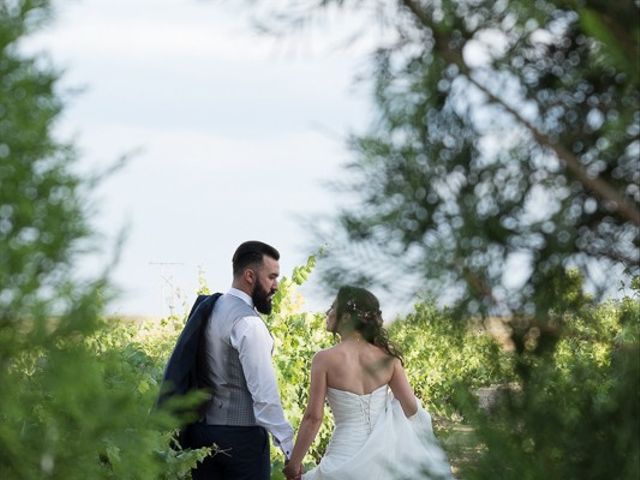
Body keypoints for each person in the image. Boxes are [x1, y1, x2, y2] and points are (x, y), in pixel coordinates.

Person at [283, 286, 454, 480]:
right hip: (384, 461)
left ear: (347, 317)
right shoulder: (388, 360)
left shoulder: (323, 359)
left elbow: (313, 418)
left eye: (332, 307)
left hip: (343, 457)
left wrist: (294, 464)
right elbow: (411, 410)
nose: (327, 312)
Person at [188, 241, 295, 480]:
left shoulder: (212, 308)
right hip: (242, 442)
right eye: (272, 277)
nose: (276, 286)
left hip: (202, 434)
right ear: (249, 276)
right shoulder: (249, 323)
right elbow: (264, 395)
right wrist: (289, 447)